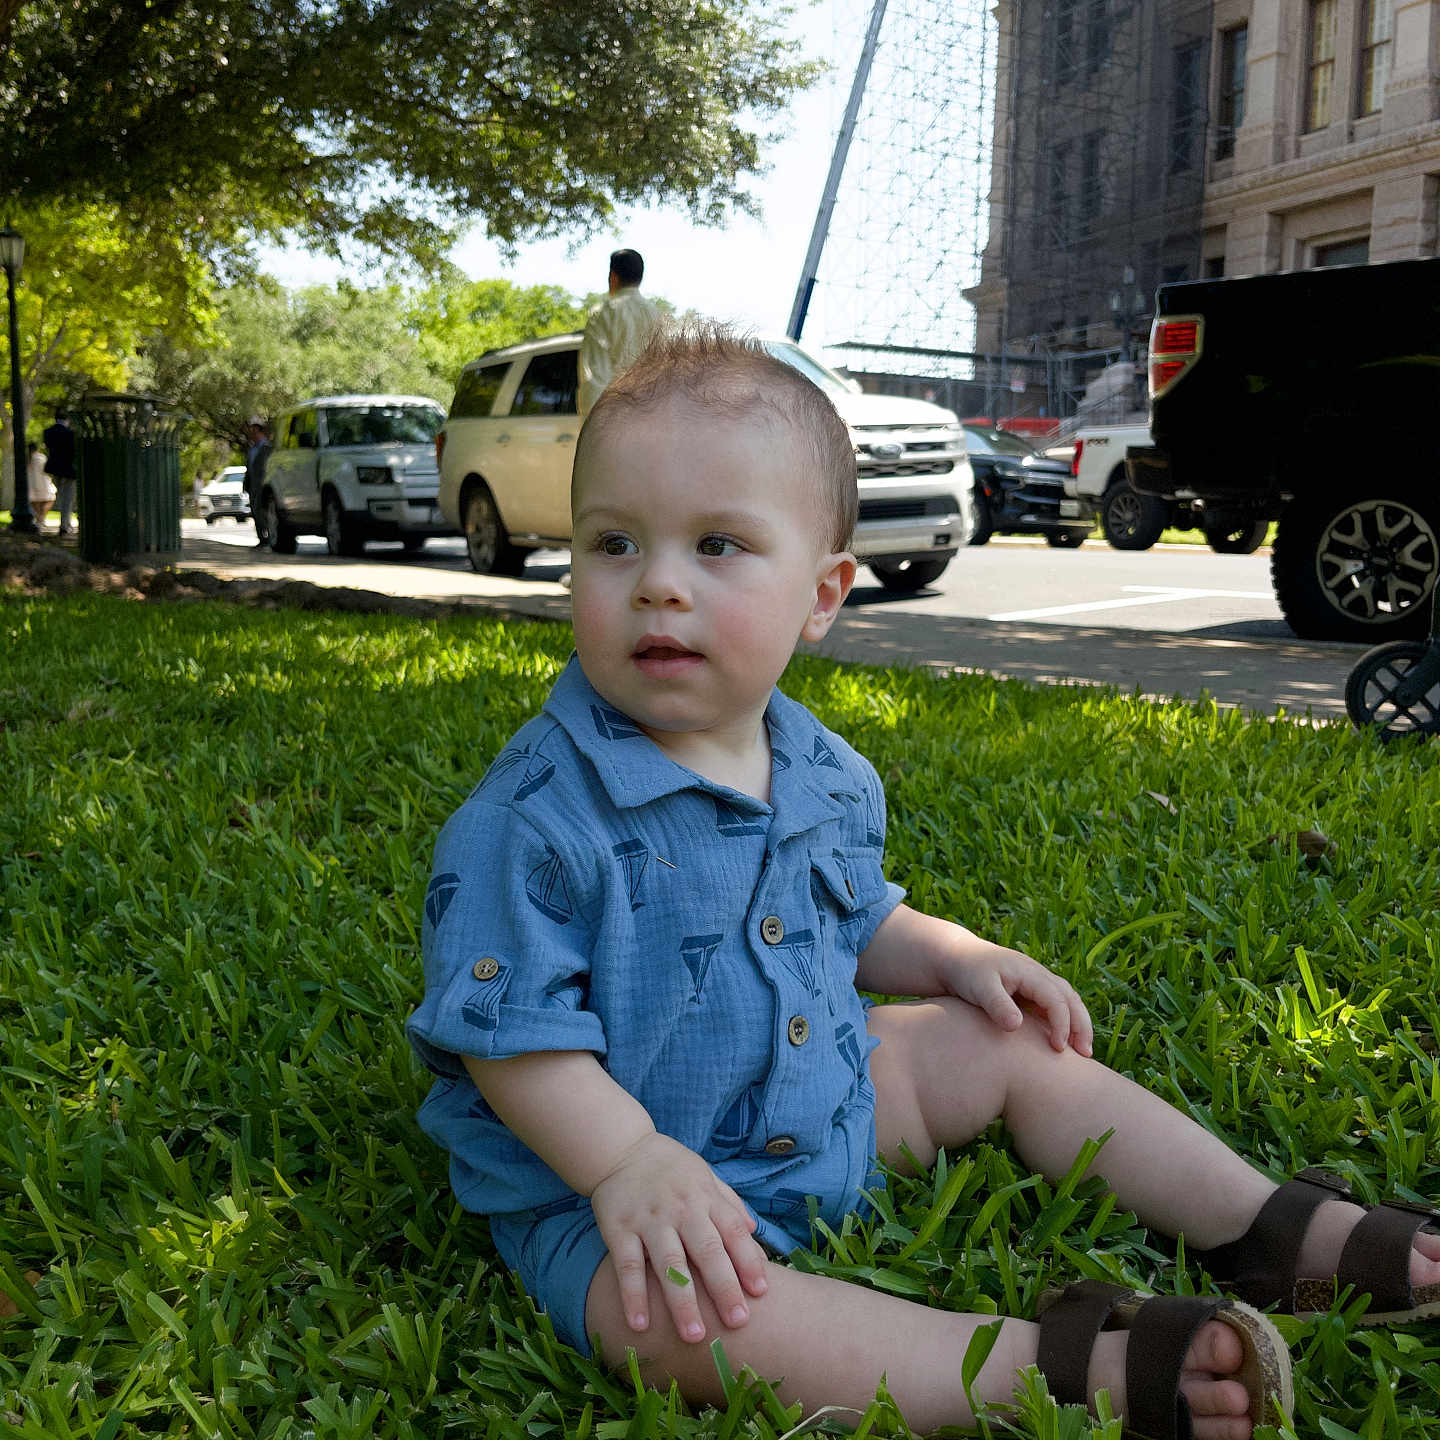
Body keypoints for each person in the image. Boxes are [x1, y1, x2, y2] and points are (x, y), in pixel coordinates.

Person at [407, 326, 1440, 1440]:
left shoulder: (824, 773)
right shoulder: (532, 817)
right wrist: (628, 1163)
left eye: (716, 546)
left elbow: (857, 919)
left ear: (822, 594)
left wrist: (960, 961)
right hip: (614, 1195)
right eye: (614, 543)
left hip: (820, 1101)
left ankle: (1271, 1225)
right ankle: (1043, 1373)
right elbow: (509, 1038)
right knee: (679, 1325)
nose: (658, 585)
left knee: (1005, 1045)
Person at [577, 248, 661, 418]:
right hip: (650, 416)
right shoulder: (656, 315)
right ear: (640, 278)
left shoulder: (603, 313)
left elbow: (594, 374)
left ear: (613, 276)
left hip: (612, 419)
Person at [41, 411, 77, 536]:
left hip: (54, 468)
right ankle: (64, 525)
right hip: (68, 469)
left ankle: (66, 523)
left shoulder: (48, 432)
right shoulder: (70, 433)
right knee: (68, 498)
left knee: (62, 496)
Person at [243, 418, 272, 547]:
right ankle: (261, 538)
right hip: (253, 486)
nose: (253, 434)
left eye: (255, 431)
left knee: (266, 512)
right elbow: (249, 468)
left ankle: (270, 536)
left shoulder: (268, 448)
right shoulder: (251, 449)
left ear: (261, 432)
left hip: (265, 485)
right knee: (255, 512)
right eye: (251, 432)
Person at [26, 440, 54, 527]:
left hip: (32, 484)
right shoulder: (40, 457)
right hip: (42, 483)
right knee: (50, 499)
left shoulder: (28, 459)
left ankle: (39, 519)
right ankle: (41, 518)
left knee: (36, 504)